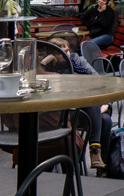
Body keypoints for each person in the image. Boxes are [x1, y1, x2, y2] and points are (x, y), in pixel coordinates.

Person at [45, 37, 112, 171]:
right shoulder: (48, 69)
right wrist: (44, 63)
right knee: (102, 118)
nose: (66, 54)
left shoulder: (78, 61)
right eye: (60, 52)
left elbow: (99, 82)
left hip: (86, 110)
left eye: (67, 50)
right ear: (51, 54)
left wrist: (106, 103)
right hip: (62, 112)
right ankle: (93, 155)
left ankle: (98, 160)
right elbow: (32, 78)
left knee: (105, 119)